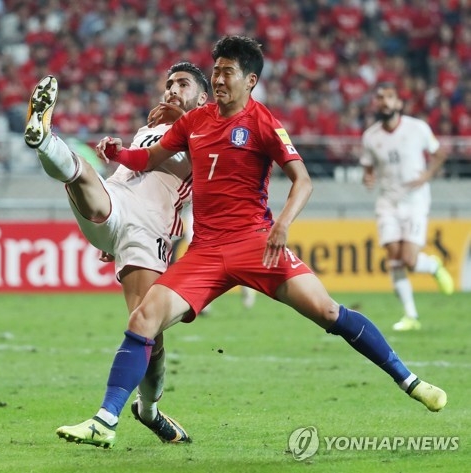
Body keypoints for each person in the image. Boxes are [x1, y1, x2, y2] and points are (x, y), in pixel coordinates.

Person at [58, 36, 447, 449]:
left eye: (227, 72)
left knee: (329, 312)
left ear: (250, 80)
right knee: (142, 321)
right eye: (216, 71)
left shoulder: (262, 122)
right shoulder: (195, 121)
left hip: (257, 245)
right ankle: (105, 420)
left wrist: (283, 224)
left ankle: (410, 380)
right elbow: (148, 160)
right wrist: (119, 153)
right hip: (206, 253)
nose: (219, 79)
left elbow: (303, 180)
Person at [23, 61, 209, 447]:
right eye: (170, 84)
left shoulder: (209, 128)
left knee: (148, 332)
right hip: (115, 204)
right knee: (83, 174)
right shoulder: (151, 127)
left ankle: (149, 410)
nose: (172, 89)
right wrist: (118, 150)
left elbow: (203, 168)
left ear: (204, 98)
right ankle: (44, 139)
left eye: (184, 84)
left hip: (150, 232)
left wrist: (179, 117)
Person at [360, 82, 454, 332]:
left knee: (409, 260)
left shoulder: (417, 128)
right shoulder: (371, 136)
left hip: (414, 201)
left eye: (389, 97)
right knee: (394, 257)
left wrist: (427, 175)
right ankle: (410, 315)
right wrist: (368, 177)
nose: (384, 102)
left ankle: (432, 265)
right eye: (380, 98)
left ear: (398, 103)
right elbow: (368, 168)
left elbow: (439, 153)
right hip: (387, 202)